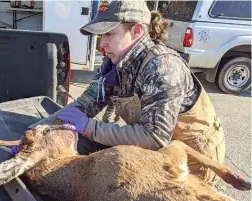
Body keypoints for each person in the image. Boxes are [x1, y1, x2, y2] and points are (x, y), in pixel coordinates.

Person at [26, 0, 226, 187]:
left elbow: (154, 137)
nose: (101, 44)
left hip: (193, 162)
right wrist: (33, 132)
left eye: (109, 34)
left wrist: (89, 127)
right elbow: (86, 103)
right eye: (100, 36)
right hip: (160, 153)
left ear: (137, 30)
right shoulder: (114, 64)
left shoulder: (163, 68)